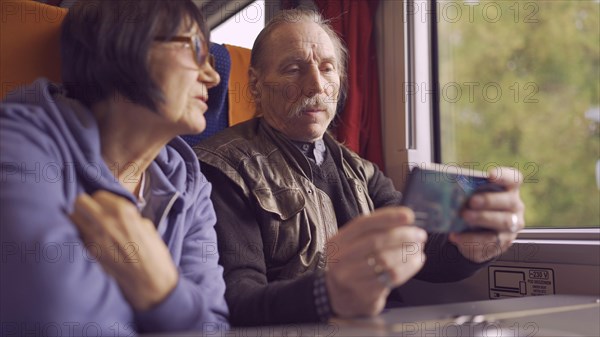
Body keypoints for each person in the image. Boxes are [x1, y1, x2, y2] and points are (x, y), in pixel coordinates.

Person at [195, 8, 525, 326]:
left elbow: (425, 253)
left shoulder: (361, 170)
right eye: (294, 69)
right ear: (255, 85)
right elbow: (236, 300)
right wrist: (328, 296)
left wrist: (473, 245)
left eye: (326, 68)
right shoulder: (225, 169)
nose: (316, 86)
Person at [0, 0, 228, 334]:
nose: (213, 76)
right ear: (124, 45)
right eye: (194, 48)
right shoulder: (20, 141)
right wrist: (164, 296)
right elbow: (55, 313)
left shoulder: (191, 186)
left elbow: (215, 325)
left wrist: (162, 290)